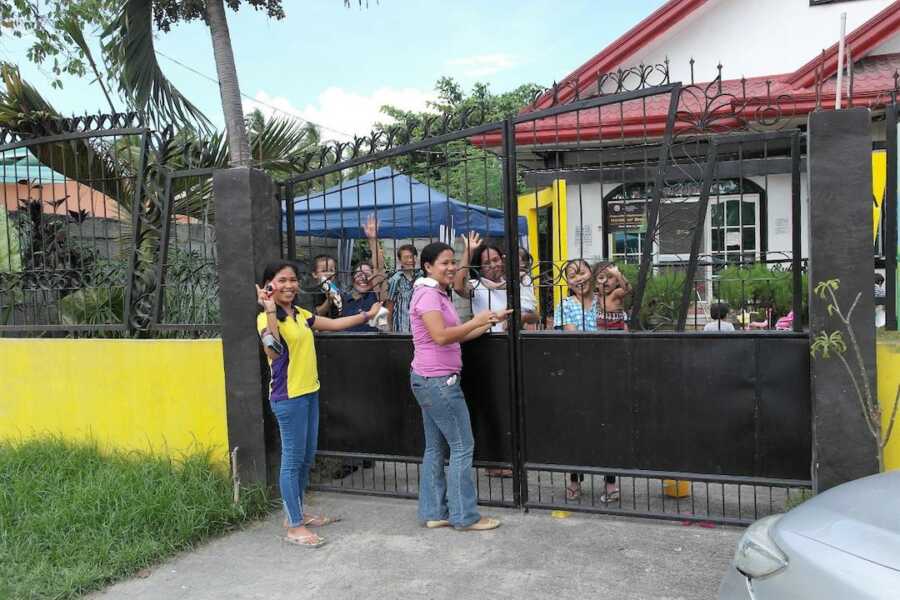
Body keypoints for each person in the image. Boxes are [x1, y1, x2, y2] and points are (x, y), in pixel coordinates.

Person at [256, 260, 383, 547]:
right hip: (288, 397)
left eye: (293, 280)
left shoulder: (300, 314)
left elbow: (335, 323)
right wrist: (269, 309)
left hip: (309, 392)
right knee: (292, 460)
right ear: (269, 285)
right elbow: (274, 352)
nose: (289, 285)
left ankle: (297, 512)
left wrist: (366, 315)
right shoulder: (267, 319)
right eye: (282, 280)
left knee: (305, 457)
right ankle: (293, 525)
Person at [409, 241, 510, 530]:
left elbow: (456, 336)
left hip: (430, 379)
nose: (451, 267)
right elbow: (441, 336)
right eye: (444, 263)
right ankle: (464, 516)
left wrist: (488, 321)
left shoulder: (436, 293)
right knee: (462, 446)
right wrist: (475, 319)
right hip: (439, 382)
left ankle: (434, 513)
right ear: (428, 266)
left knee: (435, 449)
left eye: (453, 262)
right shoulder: (428, 295)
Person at [452, 231, 537, 332]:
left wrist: (522, 318)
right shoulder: (477, 285)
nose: (493, 265)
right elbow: (458, 287)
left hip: (514, 342)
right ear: (480, 268)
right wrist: (469, 251)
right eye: (487, 263)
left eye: (496, 260)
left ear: (502, 260)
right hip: (490, 341)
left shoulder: (515, 282)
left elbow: (535, 316)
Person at [339, 215, 387, 333]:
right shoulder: (344, 298)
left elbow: (378, 268)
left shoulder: (376, 296)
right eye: (358, 274)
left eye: (367, 273)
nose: (363, 277)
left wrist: (372, 240)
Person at [553, 259, 598, 331]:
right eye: (572, 276)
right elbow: (573, 339)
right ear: (568, 284)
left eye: (582, 273)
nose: (578, 279)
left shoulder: (605, 301)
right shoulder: (565, 306)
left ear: (591, 274)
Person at [386, 244, 419, 333]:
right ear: (400, 260)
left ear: (416, 258)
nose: (409, 260)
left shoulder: (421, 277)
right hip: (400, 329)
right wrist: (389, 329)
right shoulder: (395, 279)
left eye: (411, 257)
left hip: (418, 329)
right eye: (405, 257)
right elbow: (390, 305)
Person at [594, 262, 631, 331]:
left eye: (610, 277)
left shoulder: (615, 293)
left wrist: (618, 274)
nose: (606, 280)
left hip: (618, 326)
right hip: (601, 327)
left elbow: (627, 289)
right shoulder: (597, 296)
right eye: (601, 277)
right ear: (596, 283)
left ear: (617, 282)